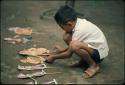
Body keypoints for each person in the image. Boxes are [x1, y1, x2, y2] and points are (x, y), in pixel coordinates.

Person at [45, 5, 109, 78]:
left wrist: (53, 57)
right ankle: (84, 61)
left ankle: (93, 65)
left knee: (75, 46)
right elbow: (71, 46)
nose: (62, 29)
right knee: (67, 37)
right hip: (93, 47)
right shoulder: (77, 22)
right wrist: (62, 50)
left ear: (69, 24)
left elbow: (69, 54)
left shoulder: (79, 30)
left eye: (62, 27)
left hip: (99, 54)